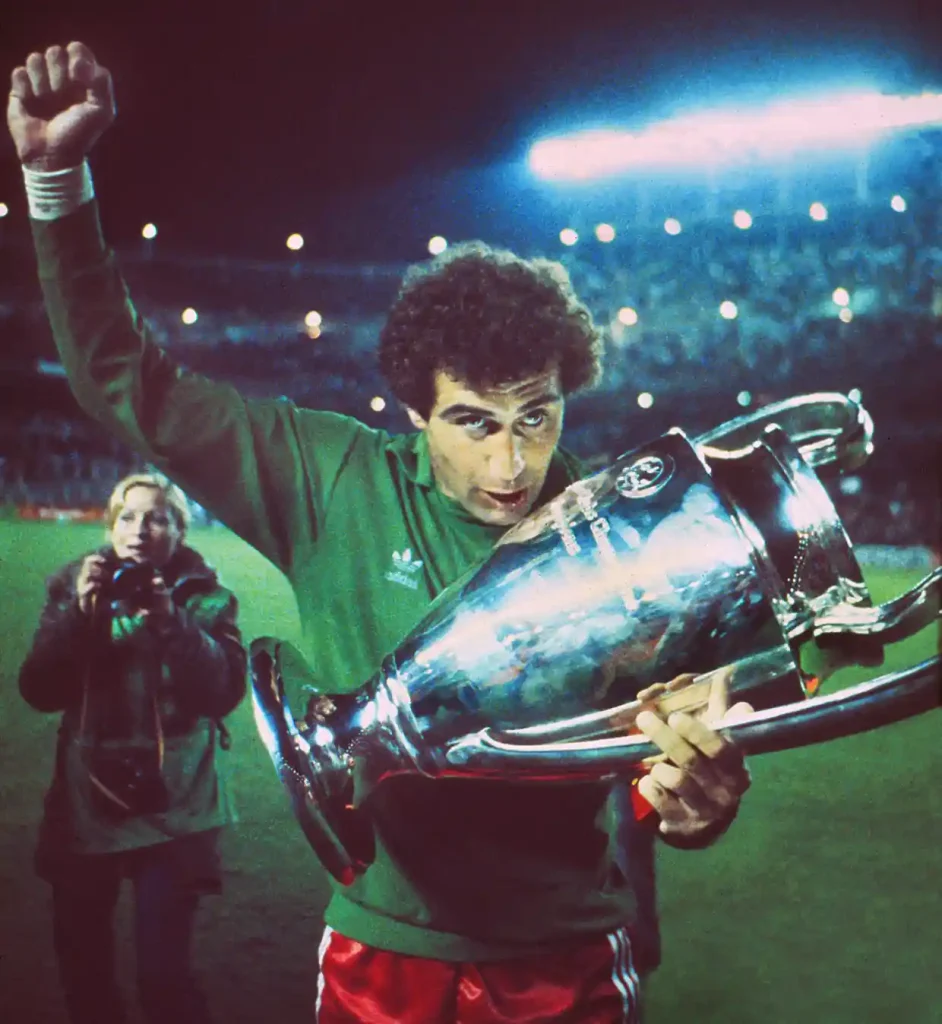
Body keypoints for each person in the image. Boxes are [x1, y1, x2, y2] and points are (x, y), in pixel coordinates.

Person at [9, 42, 751, 1022]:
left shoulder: (626, 535)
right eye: (474, 421)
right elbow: (126, 384)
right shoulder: (330, 477)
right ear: (415, 410)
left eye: (537, 414)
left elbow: (666, 781)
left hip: (563, 957)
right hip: (381, 950)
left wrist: (700, 797)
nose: (510, 466)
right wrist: (55, 177)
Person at [18, 471, 247, 1024]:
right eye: (127, 516)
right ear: (110, 526)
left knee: (164, 980)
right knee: (86, 977)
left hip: (176, 810)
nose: (140, 529)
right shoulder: (71, 585)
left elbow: (223, 693)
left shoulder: (208, 599)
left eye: (156, 517)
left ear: (179, 530)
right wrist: (78, 613)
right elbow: (40, 690)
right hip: (86, 808)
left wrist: (172, 623)